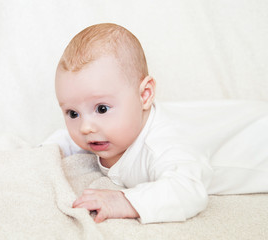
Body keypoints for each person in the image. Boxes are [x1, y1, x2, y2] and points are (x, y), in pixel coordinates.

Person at [44, 23, 268, 224]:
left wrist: (127, 201)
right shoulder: (104, 131)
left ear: (144, 95)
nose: (85, 127)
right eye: (72, 113)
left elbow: (188, 190)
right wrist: (43, 151)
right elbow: (64, 140)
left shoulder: (163, 143)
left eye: (102, 109)